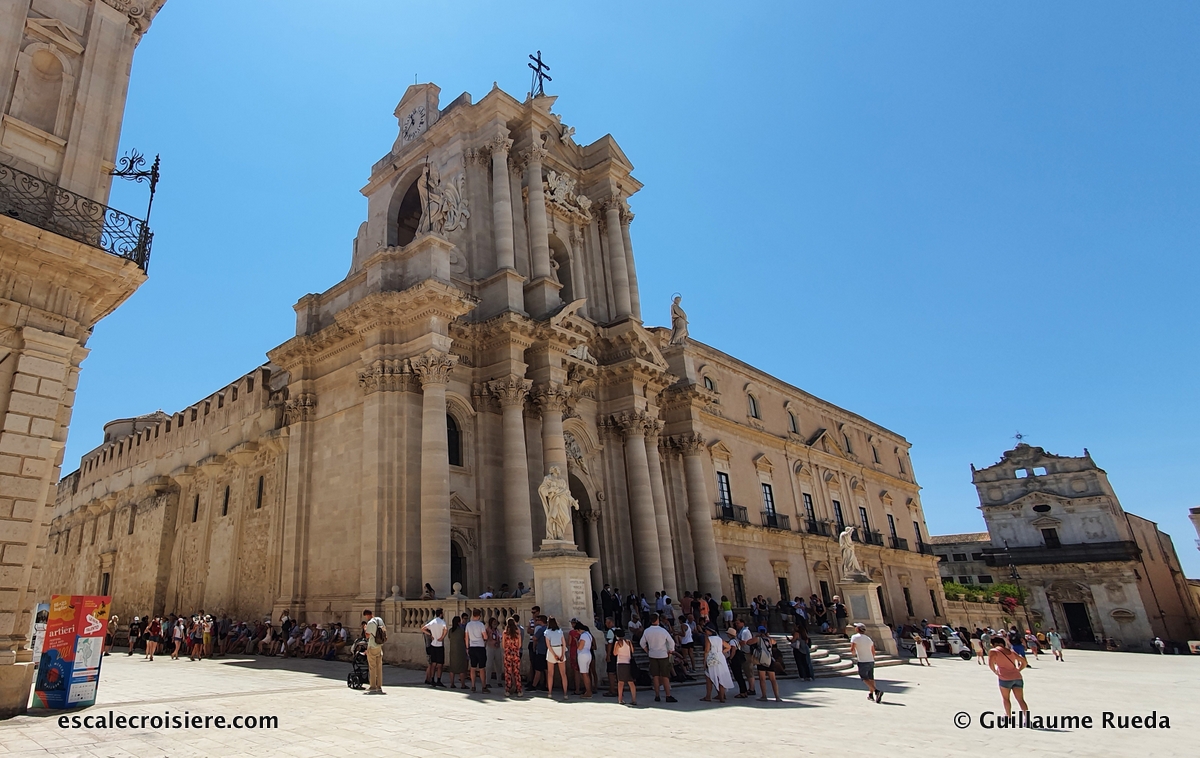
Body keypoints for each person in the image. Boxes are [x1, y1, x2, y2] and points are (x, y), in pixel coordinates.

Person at [987, 635, 1029, 721]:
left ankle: (1008, 716)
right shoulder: (1011, 651)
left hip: (1004, 678)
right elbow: (1024, 662)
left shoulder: (993, 651)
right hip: (1017, 677)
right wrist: (1018, 670)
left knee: (1006, 699)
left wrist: (996, 672)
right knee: (1021, 699)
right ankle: (1027, 719)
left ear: (994, 644)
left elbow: (991, 665)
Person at [640, 612, 677, 703]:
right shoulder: (662, 631)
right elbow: (671, 642)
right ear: (657, 620)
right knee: (665, 676)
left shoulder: (647, 631)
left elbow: (642, 643)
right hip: (663, 655)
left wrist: (648, 651)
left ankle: (657, 695)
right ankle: (668, 695)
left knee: (655, 676)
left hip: (652, 654)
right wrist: (671, 651)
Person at [850, 623, 882, 703]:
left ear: (857, 629)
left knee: (864, 677)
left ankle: (876, 691)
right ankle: (871, 694)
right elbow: (873, 651)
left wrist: (854, 654)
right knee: (871, 678)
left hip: (862, 660)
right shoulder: (868, 639)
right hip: (870, 660)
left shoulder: (854, 637)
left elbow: (852, 648)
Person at [701, 625, 734, 703]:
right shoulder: (719, 639)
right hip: (720, 658)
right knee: (720, 677)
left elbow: (706, 650)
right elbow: (728, 647)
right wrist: (720, 652)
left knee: (709, 677)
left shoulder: (709, 639)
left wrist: (704, 661)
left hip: (712, 657)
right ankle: (722, 697)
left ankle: (708, 696)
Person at [753, 626, 782, 701]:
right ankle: (777, 697)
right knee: (773, 679)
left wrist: (756, 637)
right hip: (770, 659)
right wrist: (768, 636)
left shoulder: (758, 639)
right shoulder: (770, 639)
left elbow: (748, 642)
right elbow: (775, 642)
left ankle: (764, 696)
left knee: (762, 679)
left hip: (762, 659)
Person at [465, 608, 489, 692]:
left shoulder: (468, 625)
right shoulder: (481, 625)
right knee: (482, 668)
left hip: (472, 647)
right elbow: (485, 636)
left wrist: (467, 647)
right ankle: (483, 686)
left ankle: (473, 686)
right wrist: (484, 639)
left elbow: (466, 637)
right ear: (479, 616)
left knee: (473, 667)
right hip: (480, 646)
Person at [544, 617, 569, 699]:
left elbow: (548, 645)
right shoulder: (560, 631)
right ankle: (565, 693)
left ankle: (550, 692)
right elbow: (564, 643)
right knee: (563, 674)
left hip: (552, 651)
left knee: (550, 673)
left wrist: (554, 654)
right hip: (560, 649)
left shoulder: (547, 632)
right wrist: (562, 654)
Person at [422, 608, 447, 687]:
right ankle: (438, 680)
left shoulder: (432, 622)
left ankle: (432, 679)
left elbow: (423, 628)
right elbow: (445, 629)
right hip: (439, 645)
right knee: (440, 665)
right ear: (441, 614)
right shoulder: (442, 622)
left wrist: (430, 634)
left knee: (433, 663)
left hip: (433, 644)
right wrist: (442, 637)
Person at [362, 609, 386, 695]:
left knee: (372, 666)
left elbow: (367, 635)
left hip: (372, 645)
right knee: (379, 666)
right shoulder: (379, 620)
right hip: (379, 645)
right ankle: (379, 686)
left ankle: (372, 685)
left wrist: (365, 628)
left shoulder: (370, 623)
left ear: (367, 615)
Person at [612, 628, 637, 706]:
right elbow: (632, 651)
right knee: (631, 682)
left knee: (620, 682)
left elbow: (615, 653)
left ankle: (620, 699)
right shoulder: (629, 642)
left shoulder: (617, 643)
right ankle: (634, 699)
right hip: (629, 663)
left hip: (621, 663)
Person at [734, 619, 757, 696]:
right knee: (747, 671)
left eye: (738, 623)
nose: (737, 625)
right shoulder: (741, 631)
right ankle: (751, 688)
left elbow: (743, 642)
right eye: (736, 623)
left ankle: (752, 689)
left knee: (749, 671)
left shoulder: (745, 632)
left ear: (742, 623)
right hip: (744, 652)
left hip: (746, 652)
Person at [502, 617, 523, 696]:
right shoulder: (518, 632)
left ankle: (507, 690)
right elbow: (520, 644)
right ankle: (519, 690)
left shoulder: (505, 633)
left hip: (508, 653)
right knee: (517, 672)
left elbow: (503, 645)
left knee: (508, 672)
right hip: (515, 653)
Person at [446, 614, 468, 688]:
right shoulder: (461, 631)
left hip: (453, 651)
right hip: (461, 650)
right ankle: (462, 684)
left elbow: (449, 638)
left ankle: (452, 683)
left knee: (452, 668)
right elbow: (465, 639)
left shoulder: (450, 631)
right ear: (459, 622)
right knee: (461, 668)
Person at [576, 621, 595, 698]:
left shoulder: (583, 636)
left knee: (584, 674)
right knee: (586, 674)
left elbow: (580, 647)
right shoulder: (589, 634)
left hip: (583, 654)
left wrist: (577, 642)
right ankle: (588, 690)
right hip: (588, 654)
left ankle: (588, 691)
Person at [484, 616, 503, 688]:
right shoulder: (487, 630)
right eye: (493, 622)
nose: (495, 623)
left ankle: (499, 681)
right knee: (489, 665)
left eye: (496, 622)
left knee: (499, 665)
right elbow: (485, 638)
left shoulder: (497, 630)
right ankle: (487, 682)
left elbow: (500, 637)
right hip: (490, 648)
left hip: (497, 648)